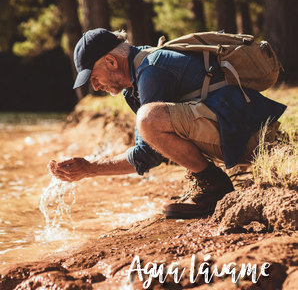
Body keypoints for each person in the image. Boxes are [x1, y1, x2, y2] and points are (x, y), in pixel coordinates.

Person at [48, 28, 286, 219]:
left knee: (149, 118)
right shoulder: (138, 76)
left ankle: (214, 186)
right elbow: (152, 148)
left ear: (111, 61)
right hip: (241, 130)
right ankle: (205, 180)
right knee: (149, 119)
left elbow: (147, 155)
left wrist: (90, 168)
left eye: (93, 77)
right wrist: (89, 168)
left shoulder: (151, 70)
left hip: (254, 139)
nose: (95, 86)